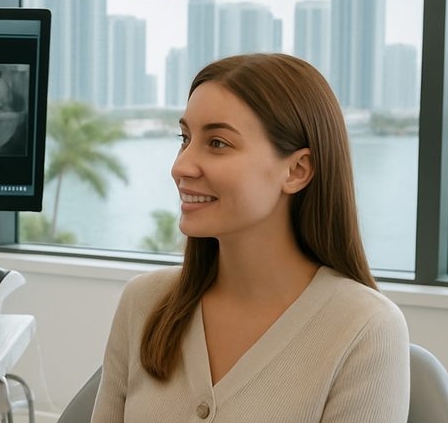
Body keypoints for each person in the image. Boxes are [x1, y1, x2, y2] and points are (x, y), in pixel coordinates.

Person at [90, 53, 409, 422]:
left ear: (296, 170)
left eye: (218, 143)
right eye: (185, 138)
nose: (180, 166)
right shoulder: (143, 304)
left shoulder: (365, 329)